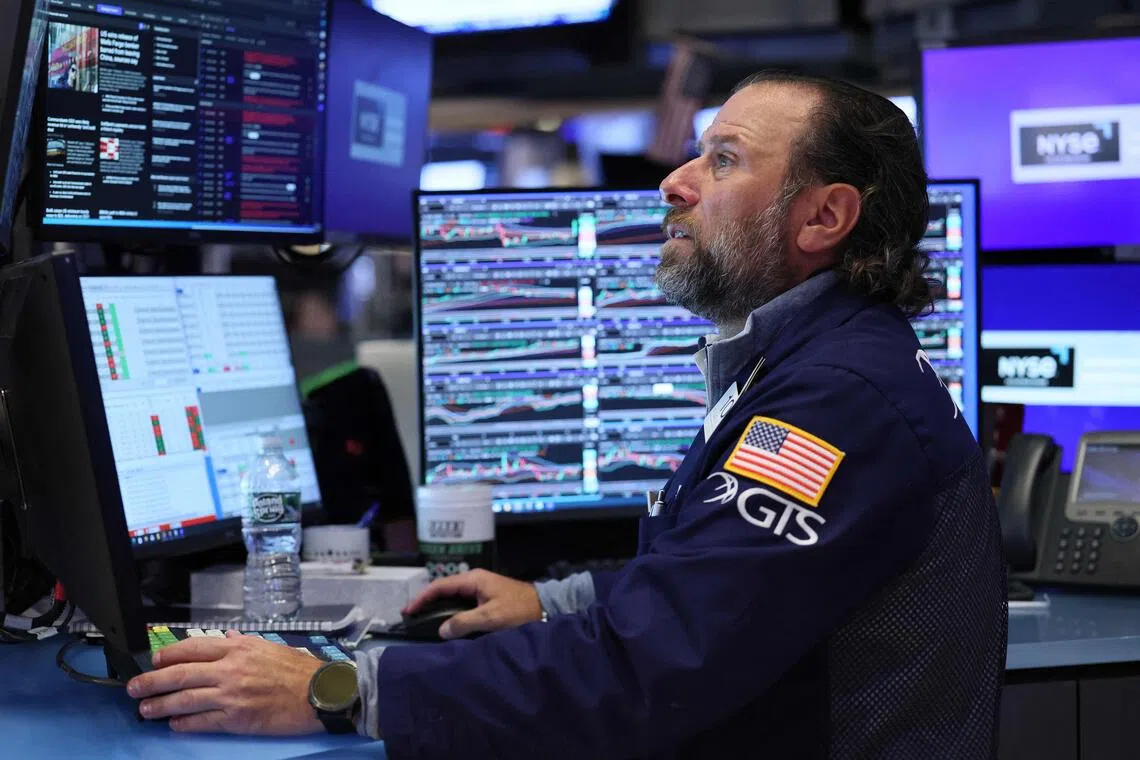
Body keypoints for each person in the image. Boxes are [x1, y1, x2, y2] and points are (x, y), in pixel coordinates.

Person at [126, 71, 1008, 758]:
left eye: (723, 160)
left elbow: (648, 668)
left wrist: (338, 689)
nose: (674, 182)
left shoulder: (837, 403)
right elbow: (724, 585)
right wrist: (556, 600)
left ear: (824, 217)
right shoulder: (820, 364)